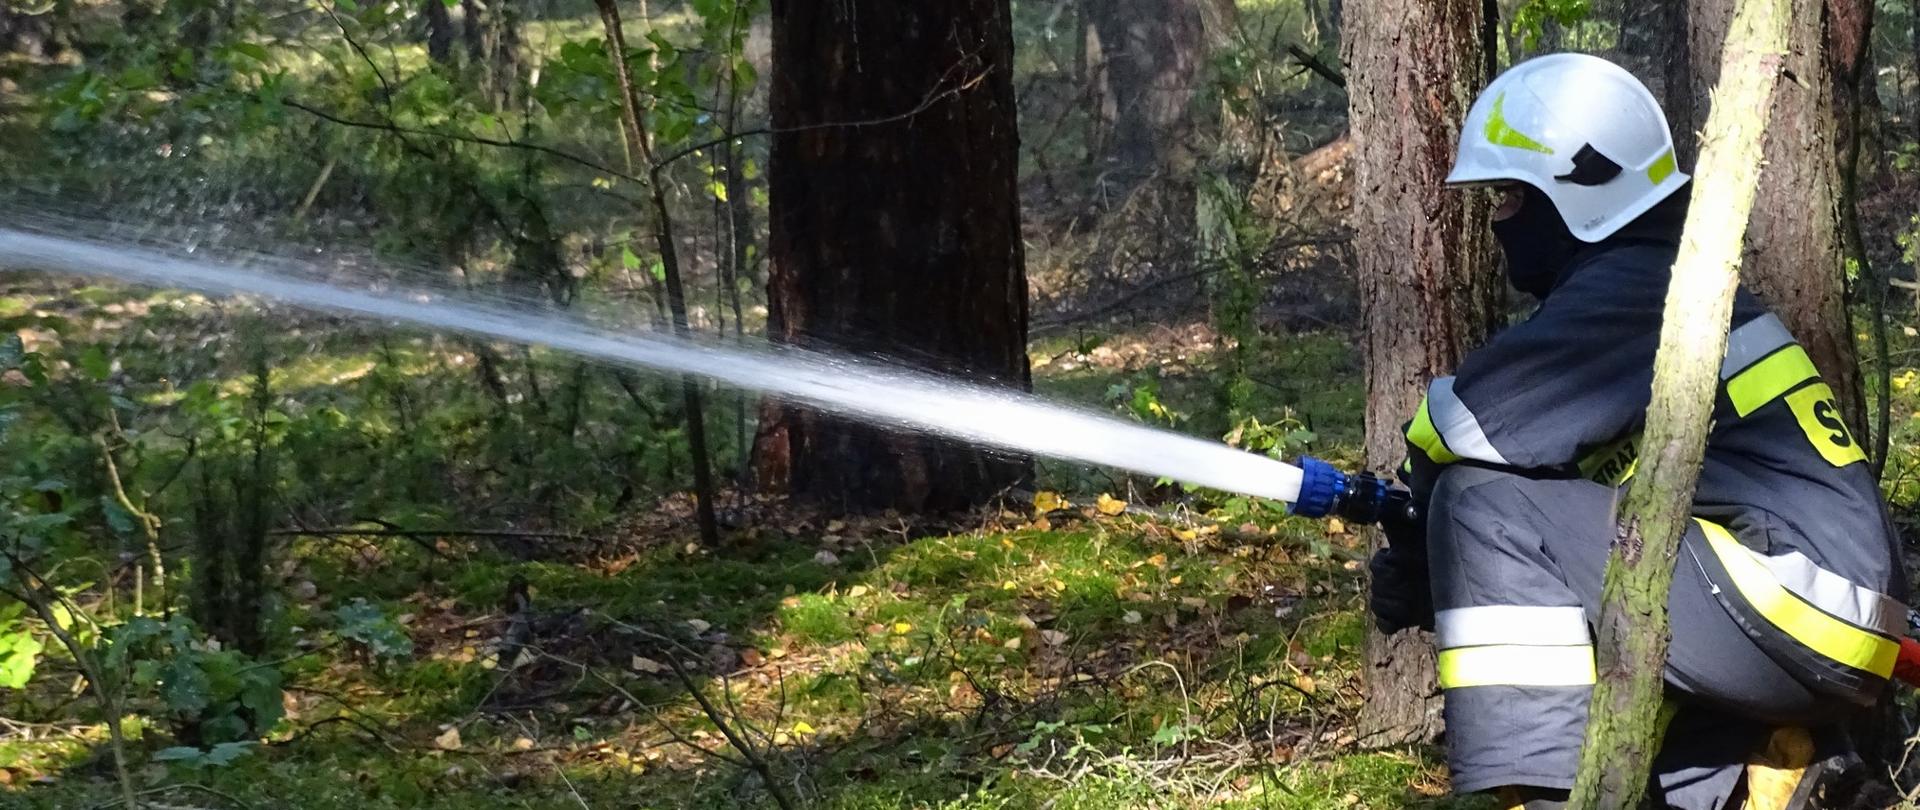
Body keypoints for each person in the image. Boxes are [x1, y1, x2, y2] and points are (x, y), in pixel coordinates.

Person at [1365, 52, 1909, 809]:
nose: (1498, 224)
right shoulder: (1669, 274)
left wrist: (1426, 528)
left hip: (1790, 605)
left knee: (1478, 502)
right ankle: (1779, 787)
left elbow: (1462, 427)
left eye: (1509, 199)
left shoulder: (1638, 286)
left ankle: (1541, 795)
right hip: (1810, 620)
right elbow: (1571, 517)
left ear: (1572, 192)